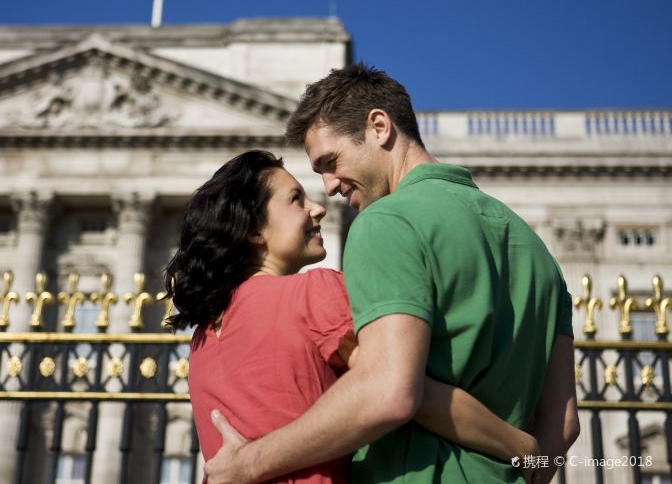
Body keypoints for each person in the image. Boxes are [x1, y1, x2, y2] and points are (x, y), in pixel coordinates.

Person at [204, 65, 580, 484]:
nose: (328, 186)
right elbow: (563, 424)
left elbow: (388, 392)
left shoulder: (387, 222)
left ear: (379, 126)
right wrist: (528, 467)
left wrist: (249, 463)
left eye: (331, 162)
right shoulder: (535, 249)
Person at [164, 150, 541, 484]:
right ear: (254, 230)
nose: (318, 208)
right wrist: (520, 445)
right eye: (296, 200)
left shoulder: (201, 337)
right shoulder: (312, 292)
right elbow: (403, 390)